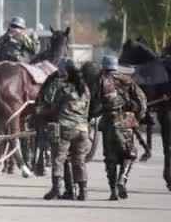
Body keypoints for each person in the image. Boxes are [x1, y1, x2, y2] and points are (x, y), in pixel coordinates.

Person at [90, 55, 147, 200]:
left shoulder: (100, 80)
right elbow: (141, 99)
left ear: (103, 66)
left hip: (109, 121)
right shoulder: (128, 80)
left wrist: (91, 116)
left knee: (110, 158)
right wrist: (137, 117)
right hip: (127, 120)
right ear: (116, 66)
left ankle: (113, 190)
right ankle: (123, 178)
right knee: (128, 154)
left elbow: (94, 103)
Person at [36, 58, 91, 201]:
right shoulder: (85, 89)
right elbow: (87, 110)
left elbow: (54, 109)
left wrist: (41, 112)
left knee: (58, 159)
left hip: (65, 129)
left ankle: (56, 189)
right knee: (79, 161)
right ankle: (83, 192)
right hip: (83, 130)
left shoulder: (63, 88)